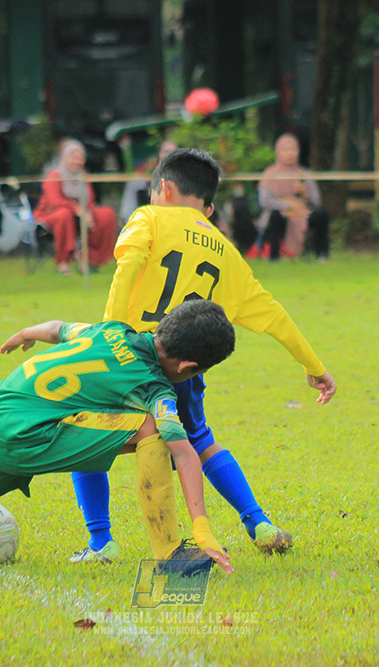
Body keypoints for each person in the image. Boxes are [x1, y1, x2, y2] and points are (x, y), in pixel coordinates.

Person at [69, 148, 337, 564]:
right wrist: (314, 367)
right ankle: (258, 522)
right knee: (200, 443)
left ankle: (102, 543)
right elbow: (272, 314)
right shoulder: (224, 248)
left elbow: (128, 267)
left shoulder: (148, 217)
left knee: (85, 439)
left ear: (164, 188)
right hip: (183, 368)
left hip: (127, 353)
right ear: (208, 207)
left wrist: (109, 331)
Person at [0, 298, 235, 574]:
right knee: (152, 429)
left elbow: (57, 330)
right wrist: (202, 529)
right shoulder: (156, 388)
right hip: (26, 437)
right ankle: (169, 554)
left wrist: (24, 333)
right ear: (188, 366)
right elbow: (183, 454)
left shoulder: (111, 331)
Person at [33, 139, 117, 275]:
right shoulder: (54, 176)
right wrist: (77, 210)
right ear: (65, 158)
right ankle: (63, 261)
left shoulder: (83, 176)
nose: (78, 162)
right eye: (74, 158)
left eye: (81, 158)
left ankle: (91, 258)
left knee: (106, 214)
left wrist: (87, 212)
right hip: (53, 215)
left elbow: (90, 200)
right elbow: (54, 202)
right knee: (64, 214)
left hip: (81, 215)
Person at [255, 133, 330, 262]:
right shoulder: (270, 174)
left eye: (293, 149)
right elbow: (264, 201)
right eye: (285, 150)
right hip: (280, 213)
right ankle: (274, 257)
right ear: (278, 152)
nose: (290, 153)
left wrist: (305, 193)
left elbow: (317, 201)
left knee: (321, 215)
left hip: (302, 214)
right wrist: (287, 205)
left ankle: (321, 254)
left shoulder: (304, 174)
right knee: (275, 216)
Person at [119, 140, 178, 225]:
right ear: (160, 154)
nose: (169, 154)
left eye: (173, 152)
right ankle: (127, 219)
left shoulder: (182, 167)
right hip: (153, 192)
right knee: (134, 182)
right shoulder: (153, 164)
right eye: (166, 151)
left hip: (174, 201)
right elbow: (139, 172)